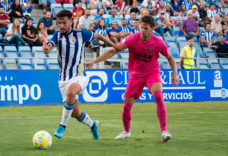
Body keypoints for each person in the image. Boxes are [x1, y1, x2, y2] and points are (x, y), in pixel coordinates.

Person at [85, 15, 179, 142]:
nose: (142, 30)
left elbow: (170, 58)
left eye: (145, 28)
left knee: (158, 95)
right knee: (127, 105)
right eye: (141, 28)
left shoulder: (158, 42)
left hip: (152, 72)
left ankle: (164, 131)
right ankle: (126, 131)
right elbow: (113, 50)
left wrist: (175, 73)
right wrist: (94, 61)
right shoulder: (132, 39)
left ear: (152, 28)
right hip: (135, 74)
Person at [42, 10, 119, 140]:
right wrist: (46, 49)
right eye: (59, 23)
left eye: (64, 23)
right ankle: (93, 125)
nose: (61, 26)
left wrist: (115, 46)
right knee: (75, 113)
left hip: (79, 75)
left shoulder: (80, 34)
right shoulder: (57, 35)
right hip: (63, 80)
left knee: (71, 92)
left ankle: (62, 125)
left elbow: (99, 37)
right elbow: (50, 46)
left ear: (71, 22)